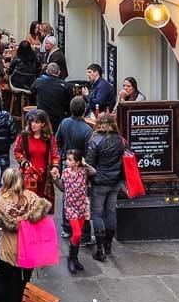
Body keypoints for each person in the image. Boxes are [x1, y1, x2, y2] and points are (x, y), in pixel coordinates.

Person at [0, 168, 50, 302]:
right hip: (28, 250)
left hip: (9, 250)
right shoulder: (32, 198)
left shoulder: (2, 202)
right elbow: (41, 217)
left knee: (3, 282)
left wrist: (0, 196)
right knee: (24, 283)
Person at [85, 113, 124, 262]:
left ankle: (100, 248)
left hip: (99, 182)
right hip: (115, 182)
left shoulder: (95, 141)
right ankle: (108, 245)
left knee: (97, 214)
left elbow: (89, 164)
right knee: (110, 212)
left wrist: (88, 181)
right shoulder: (120, 141)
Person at [55, 96, 94, 237]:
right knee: (81, 198)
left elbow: (57, 140)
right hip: (80, 166)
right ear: (84, 110)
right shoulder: (87, 130)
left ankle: (66, 228)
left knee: (67, 196)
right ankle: (82, 231)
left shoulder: (64, 123)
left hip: (66, 163)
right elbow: (89, 152)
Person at [54, 149, 93, 273]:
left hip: (81, 207)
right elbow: (62, 188)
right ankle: (70, 258)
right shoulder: (65, 172)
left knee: (79, 235)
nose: (67, 162)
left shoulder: (83, 171)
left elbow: (94, 172)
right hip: (70, 208)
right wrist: (55, 179)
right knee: (76, 234)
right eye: (67, 159)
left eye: (70, 160)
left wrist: (84, 163)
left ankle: (75, 258)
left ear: (77, 162)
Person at [13, 110, 60, 209]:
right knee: (28, 205)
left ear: (43, 124)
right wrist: (24, 162)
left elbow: (55, 154)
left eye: (37, 122)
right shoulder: (24, 136)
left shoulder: (49, 138)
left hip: (44, 178)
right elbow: (17, 151)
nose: (33, 124)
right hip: (28, 176)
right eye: (32, 122)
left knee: (43, 207)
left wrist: (55, 167)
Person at [31, 63, 72, 133]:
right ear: (59, 72)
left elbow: (32, 91)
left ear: (47, 71)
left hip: (42, 117)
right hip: (58, 120)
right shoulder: (65, 86)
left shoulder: (39, 81)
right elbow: (70, 103)